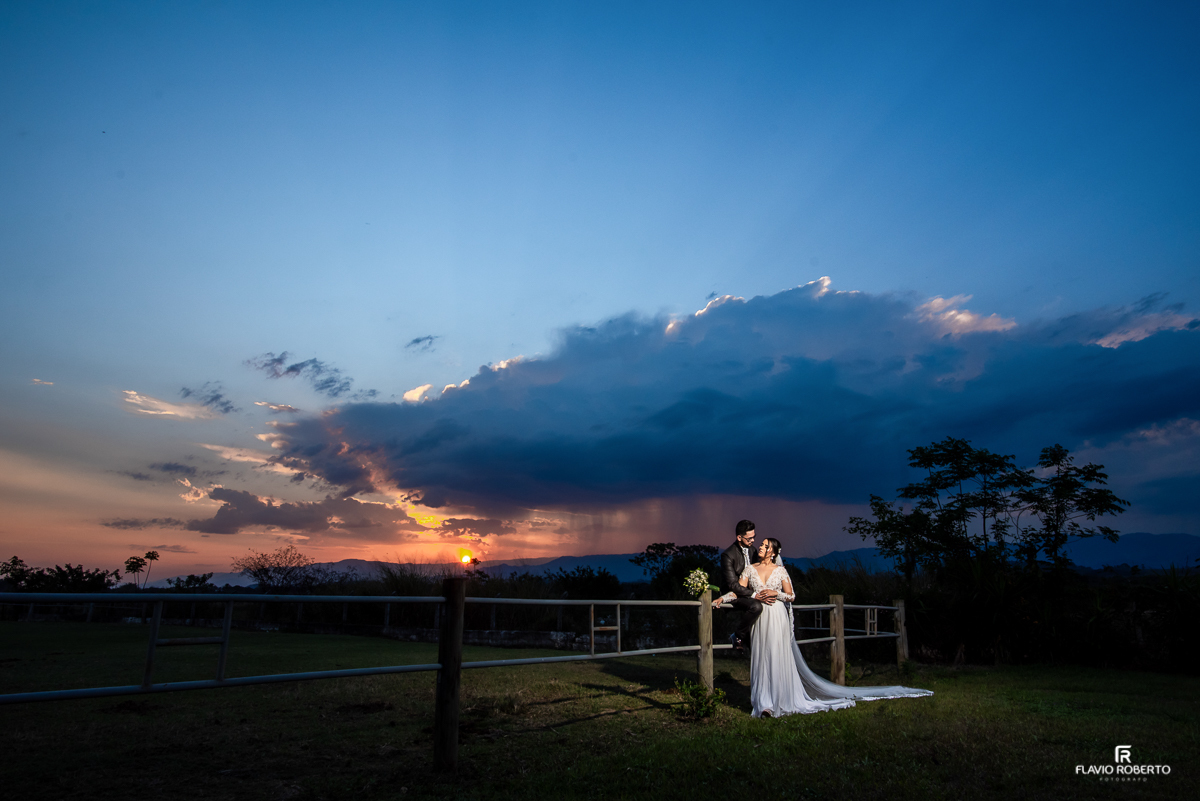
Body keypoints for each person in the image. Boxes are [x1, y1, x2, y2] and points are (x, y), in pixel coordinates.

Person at [715, 536, 932, 718]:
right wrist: (721, 599)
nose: (760, 548)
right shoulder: (749, 569)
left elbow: (791, 596)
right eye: (760, 545)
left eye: (764, 545)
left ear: (772, 552)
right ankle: (763, 704)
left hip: (778, 617)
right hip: (761, 619)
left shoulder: (781, 571)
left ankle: (781, 700)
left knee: (778, 656)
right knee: (762, 656)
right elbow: (737, 591)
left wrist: (775, 593)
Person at [720, 520, 768, 653]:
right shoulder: (727, 555)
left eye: (754, 537)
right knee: (756, 606)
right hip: (734, 593)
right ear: (739, 537)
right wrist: (753, 595)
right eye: (749, 538)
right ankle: (737, 636)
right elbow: (732, 585)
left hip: (750, 592)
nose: (753, 540)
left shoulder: (753, 550)